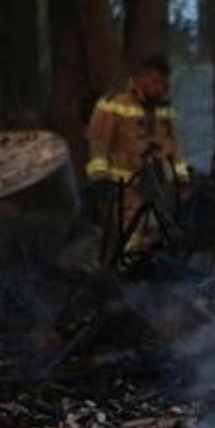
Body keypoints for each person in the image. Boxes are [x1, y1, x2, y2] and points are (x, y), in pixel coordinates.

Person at [83, 52, 191, 267]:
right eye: (154, 82)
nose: (159, 88)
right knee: (125, 233)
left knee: (153, 233)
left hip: (156, 184)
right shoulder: (112, 104)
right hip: (122, 186)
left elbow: (173, 146)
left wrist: (182, 178)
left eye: (163, 84)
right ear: (139, 78)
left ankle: (140, 274)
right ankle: (121, 275)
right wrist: (100, 178)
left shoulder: (163, 108)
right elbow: (98, 143)